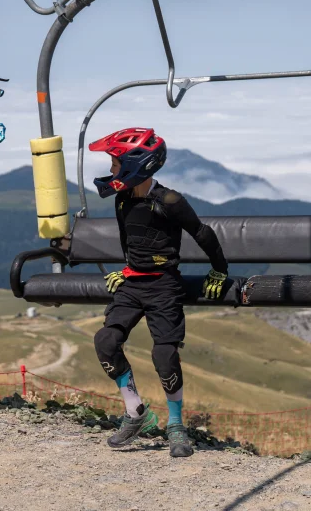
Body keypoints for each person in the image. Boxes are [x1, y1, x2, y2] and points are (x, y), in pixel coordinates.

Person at [89, 127, 229, 458]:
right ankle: (136, 412)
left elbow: (203, 234)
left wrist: (219, 270)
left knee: (163, 357)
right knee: (105, 342)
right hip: (133, 284)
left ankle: (176, 425)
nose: (111, 171)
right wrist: (126, 269)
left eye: (114, 163)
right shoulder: (123, 200)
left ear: (135, 166)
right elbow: (132, 244)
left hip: (164, 286)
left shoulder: (170, 201)